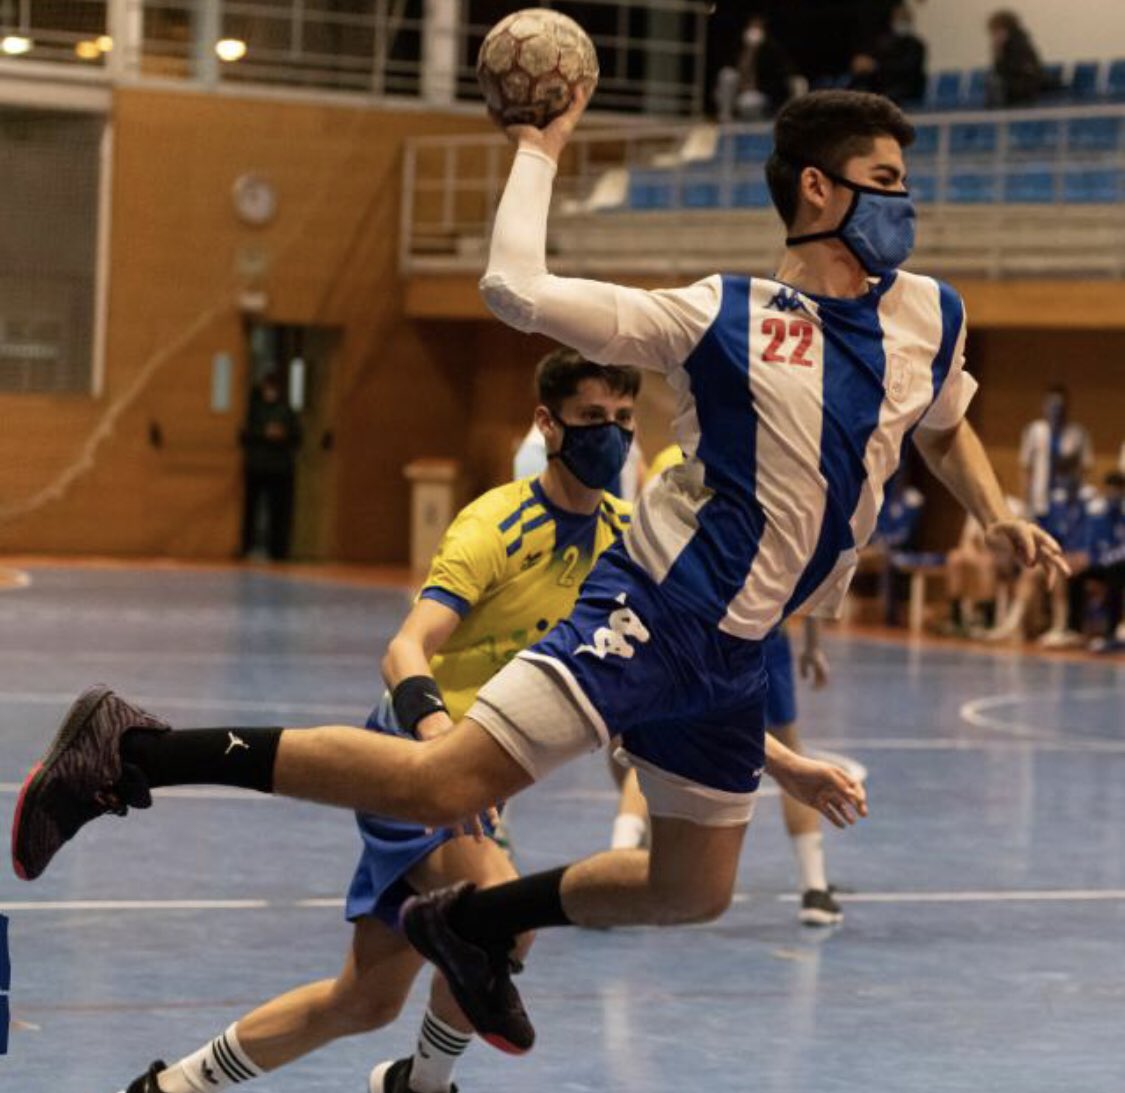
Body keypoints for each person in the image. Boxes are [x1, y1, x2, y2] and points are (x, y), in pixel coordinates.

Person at [14, 90, 1068, 1058]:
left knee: (689, 889)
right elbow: (514, 288)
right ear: (816, 189)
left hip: (741, 650)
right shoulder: (719, 317)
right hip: (658, 607)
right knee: (447, 782)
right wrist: (539, 145)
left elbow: (945, 426)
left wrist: (998, 508)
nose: (908, 204)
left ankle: (474, 920)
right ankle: (133, 748)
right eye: (888, 181)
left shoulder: (930, 316)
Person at [118, 349, 640, 1093]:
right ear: (546, 423)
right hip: (414, 760)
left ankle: (171, 1086)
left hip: (482, 773)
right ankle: (420, 1088)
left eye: (624, 420)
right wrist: (439, 744)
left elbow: (661, 682)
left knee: (360, 1001)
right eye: (593, 419)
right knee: (502, 911)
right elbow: (404, 649)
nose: (611, 436)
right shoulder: (495, 523)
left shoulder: (625, 538)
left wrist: (778, 763)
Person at [610, 445, 842, 926]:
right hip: (755, 631)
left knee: (650, 744)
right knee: (788, 749)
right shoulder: (775, 457)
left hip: (681, 630)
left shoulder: (669, 462)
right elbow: (810, 566)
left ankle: (619, 855)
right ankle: (815, 889)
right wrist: (812, 644)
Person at [1043, 471, 1125, 652]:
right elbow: (1092, 545)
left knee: (1116, 574)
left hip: (1117, 566)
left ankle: (1110, 632)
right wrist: (1085, 558)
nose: (1113, 495)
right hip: (1102, 563)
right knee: (1074, 572)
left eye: (1117, 491)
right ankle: (1074, 629)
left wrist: (1099, 559)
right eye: (1110, 491)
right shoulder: (1099, 514)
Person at [240, 373, 302, 561]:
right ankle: (246, 547)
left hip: (280, 469)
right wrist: (264, 433)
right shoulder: (255, 410)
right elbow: (244, 434)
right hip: (257, 467)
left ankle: (278, 551)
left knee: (278, 512)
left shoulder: (287, 411)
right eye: (268, 387)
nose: (270, 391)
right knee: (251, 510)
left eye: (273, 387)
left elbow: (297, 437)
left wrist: (282, 435)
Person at [1019, 385, 1094, 526]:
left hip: (1067, 502)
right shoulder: (1034, 431)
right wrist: (1025, 503)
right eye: (1052, 405)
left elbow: (1085, 468)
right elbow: (1026, 469)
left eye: (1060, 405)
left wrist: (1079, 500)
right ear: (1044, 405)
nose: (1056, 410)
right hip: (1039, 500)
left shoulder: (1078, 433)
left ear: (1066, 407)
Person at [715, 15, 799, 122]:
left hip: (759, 93)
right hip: (737, 91)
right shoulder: (738, 46)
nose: (754, 31)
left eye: (758, 28)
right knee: (727, 75)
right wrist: (749, 52)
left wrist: (757, 87)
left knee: (747, 103)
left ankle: (756, 125)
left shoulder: (772, 51)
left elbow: (781, 77)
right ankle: (725, 117)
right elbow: (727, 68)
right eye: (752, 27)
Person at [848, 2, 927, 106]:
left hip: (906, 90)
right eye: (898, 17)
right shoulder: (884, 43)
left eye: (904, 17)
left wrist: (875, 66)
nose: (901, 21)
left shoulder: (916, 46)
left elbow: (907, 69)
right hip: (883, 88)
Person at [986, 10, 1049, 108]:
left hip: (1022, 89)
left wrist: (999, 53)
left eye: (995, 31)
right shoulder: (1012, 45)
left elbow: (1011, 70)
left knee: (995, 85)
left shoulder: (1018, 46)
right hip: (1017, 87)